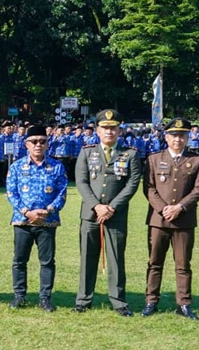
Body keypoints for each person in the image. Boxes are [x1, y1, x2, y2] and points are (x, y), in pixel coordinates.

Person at [72, 110, 141, 317]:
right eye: (105, 128)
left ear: (119, 130)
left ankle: (119, 302)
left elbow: (132, 184)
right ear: (97, 130)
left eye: (113, 128)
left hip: (115, 215)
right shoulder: (87, 152)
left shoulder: (130, 154)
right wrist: (97, 206)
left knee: (116, 260)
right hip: (90, 214)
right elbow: (81, 182)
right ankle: (83, 300)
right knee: (87, 258)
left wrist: (111, 207)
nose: (109, 132)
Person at [142, 118, 199, 320]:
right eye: (174, 135)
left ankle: (184, 304)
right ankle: (151, 301)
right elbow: (149, 188)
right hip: (158, 220)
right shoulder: (154, 159)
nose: (178, 139)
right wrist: (164, 209)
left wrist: (180, 207)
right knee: (155, 262)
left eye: (182, 135)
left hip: (184, 220)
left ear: (187, 137)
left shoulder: (196, 160)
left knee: (183, 264)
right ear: (166, 137)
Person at [5, 125, 67, 312]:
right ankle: (19, 296)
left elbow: (62, 193)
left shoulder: (57, 166)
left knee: (47, 261)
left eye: (42, 141)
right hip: (23, 221)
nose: (38, 145)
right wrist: (27, 212)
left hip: (47, 221)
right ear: (26, 144)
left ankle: (45, 298)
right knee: (19, 260)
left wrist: (47, 211)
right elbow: (11, 192)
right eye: (34, 141)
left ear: (47, 144)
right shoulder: (17, 166)